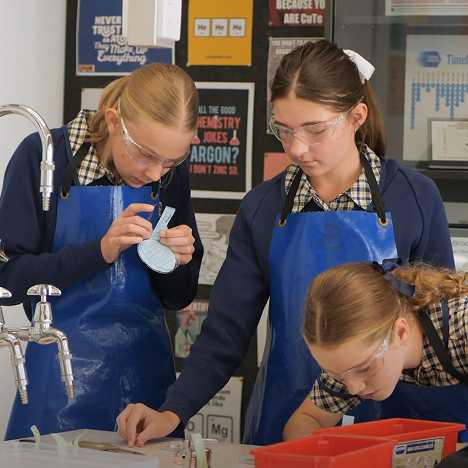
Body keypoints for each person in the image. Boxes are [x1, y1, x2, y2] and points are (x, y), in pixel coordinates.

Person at [116, 40, 454, 447]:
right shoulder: (263, 207)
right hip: (290, 418)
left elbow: (439, 326)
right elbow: (226, 331)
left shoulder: (414, 197)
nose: (296, 148)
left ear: (356, 117)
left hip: (399, 422)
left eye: (315, 130)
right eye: (284, 130)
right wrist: (172, 412)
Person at [0, 63, 203, 440]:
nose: (157, 173)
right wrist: (100, 252)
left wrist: (174, 262)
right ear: (113, 121)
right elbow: (10, 280)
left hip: (146, 384)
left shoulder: (166, 174)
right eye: (146, 155)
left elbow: (180, 296)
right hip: (60, 382)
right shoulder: (43, 157)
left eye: (171, 161)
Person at [283, 259, 468, 442]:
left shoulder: (461, 328)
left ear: (401, 332)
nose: (353, 388)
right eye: (338, 376)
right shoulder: (352, 363)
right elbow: (306, 420)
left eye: (364, 369)